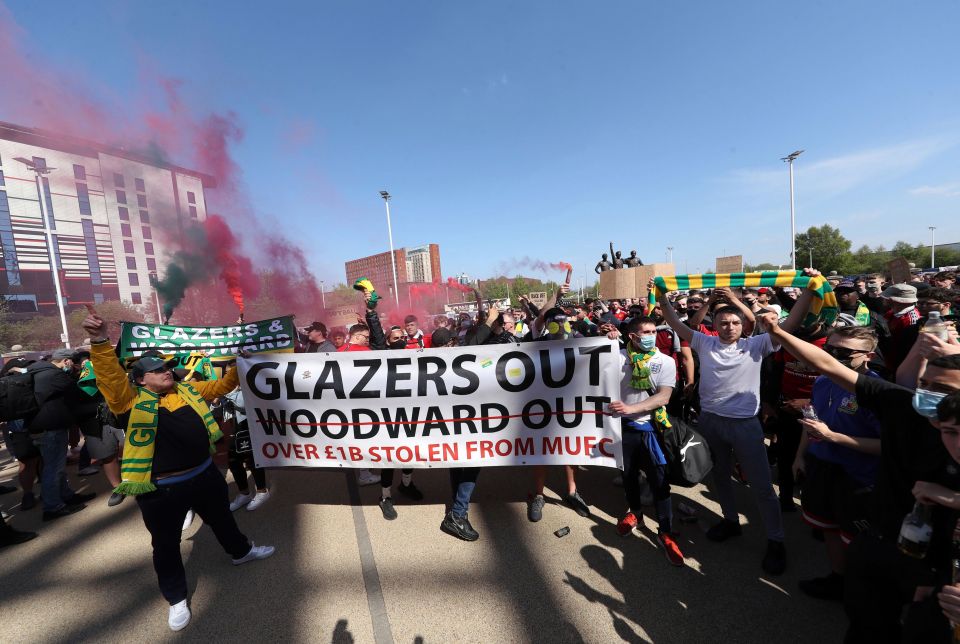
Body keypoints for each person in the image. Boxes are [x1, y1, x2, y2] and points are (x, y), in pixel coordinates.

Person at [758, 309, 960, 643]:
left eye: (942, 388)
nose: (927, 393)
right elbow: (827, 366)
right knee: (866, 617)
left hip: (936, 560)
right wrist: (777, 332)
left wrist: (947, 496)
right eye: (925, 384)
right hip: (882, 537)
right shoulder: (901, 404)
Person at [82, 307, 275, 632]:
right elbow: (111, 379)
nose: (166, 372)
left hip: (204, 475)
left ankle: (241, 552)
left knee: (223, 520)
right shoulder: (127, 400)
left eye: (167, 367)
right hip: (160, 489)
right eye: (157, 370)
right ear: (141, 379)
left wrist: (239, 360)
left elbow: (223, 386)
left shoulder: (188, 389)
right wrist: (100, 341)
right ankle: (176, 597)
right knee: (166, 545)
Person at [657, 279, 799, 575]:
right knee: (719, 476)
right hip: (710, 422)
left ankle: (776, 540)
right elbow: (673, 321)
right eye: (723, 323)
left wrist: (810, 291)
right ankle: (731, 521)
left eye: (735, 322)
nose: (729, 327)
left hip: (745, 425)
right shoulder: (704, 341)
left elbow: (793, 323)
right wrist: (662, 295)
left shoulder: (757, 344)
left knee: (761, 486)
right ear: (716, 325)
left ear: (742, 323)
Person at [791, 326, 882, 601]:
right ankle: (838, 579)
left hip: (858, 478)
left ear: (869, 356)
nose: (833, 356)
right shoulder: (822, 381)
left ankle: (863, 593)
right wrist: (799, 456)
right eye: (830, 350)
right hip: (822, 468)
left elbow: (888, 447)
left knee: (858, 541)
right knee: (828, 527)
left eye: (844, 352)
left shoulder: (877, 392)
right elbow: (812, 423)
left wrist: (834, 437)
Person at [607, 317, 684, 566]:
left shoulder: (665, 361)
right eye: (645, 332)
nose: (651, 335)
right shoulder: (614, 356)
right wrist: (602, 341)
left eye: (653, 331)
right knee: (628, 476)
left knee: (659, 480)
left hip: (653, 429)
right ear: (632, 336)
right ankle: (636, 515)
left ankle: (665, 531)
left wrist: (632, 408)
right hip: (623, 430)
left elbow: (663, 397)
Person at [27, 348, 97, 521]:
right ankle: (53, 507)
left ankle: (66, 495)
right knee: (54, 468)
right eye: (72, 363)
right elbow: (79, 392)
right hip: (51, 428)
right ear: (66, 361)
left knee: (55, 466)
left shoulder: (36, 372)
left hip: (41, 427)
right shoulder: (54, 375)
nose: (72, 366)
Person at [0, 358, 41, 510]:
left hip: (18, 430)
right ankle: (30, 495)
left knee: (27, 462)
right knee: (30, 462)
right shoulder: (17, 384)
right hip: (25, 428)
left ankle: (29, 495)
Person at [222, 388, 270, 512]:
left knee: (252, 458)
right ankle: (244, 494)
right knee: (234, 461)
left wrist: (229, 393)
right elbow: (227, 407)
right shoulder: (232, 386)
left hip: (250, 425)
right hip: (236, 428)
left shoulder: (249, 380)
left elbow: (243, 404)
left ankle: (262, 491)